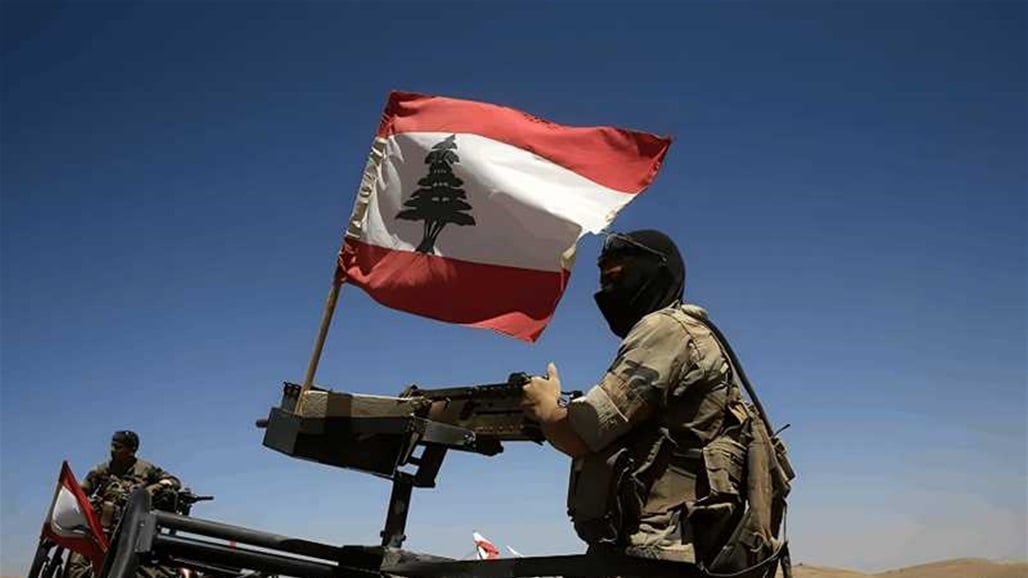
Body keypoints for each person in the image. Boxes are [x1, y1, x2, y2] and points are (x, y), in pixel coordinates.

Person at [521, 230, 753, 565]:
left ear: (654, 272)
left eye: (615, 275)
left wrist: (545, 407)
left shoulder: (666, 329)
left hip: (657, 548)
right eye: (602, 278)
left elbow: (582, 433)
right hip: (667, 546)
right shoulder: (689, 331)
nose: (606, 289)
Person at [66, 430, 181, 578]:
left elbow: (174, 481)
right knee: (77, 567)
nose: (113, 450)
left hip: (131, 529)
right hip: (100, 527)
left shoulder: (146, 469)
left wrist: (151, 490)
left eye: (118, 447)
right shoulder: (103, 469)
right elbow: (82, 491)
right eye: (112, 446)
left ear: (132, 449)